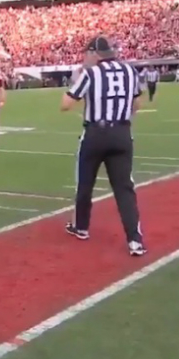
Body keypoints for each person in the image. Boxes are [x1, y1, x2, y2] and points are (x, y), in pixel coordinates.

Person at [61, 35, 146, 256]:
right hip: (122, 133)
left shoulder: (90, 73)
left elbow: (66, 104)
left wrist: (78, 84)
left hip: (96, 134)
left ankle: (81, 227)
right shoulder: (129, 70)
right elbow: (137, 103)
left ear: (94, 53)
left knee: (85, 183)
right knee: (124, 188)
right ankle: (135, 240)